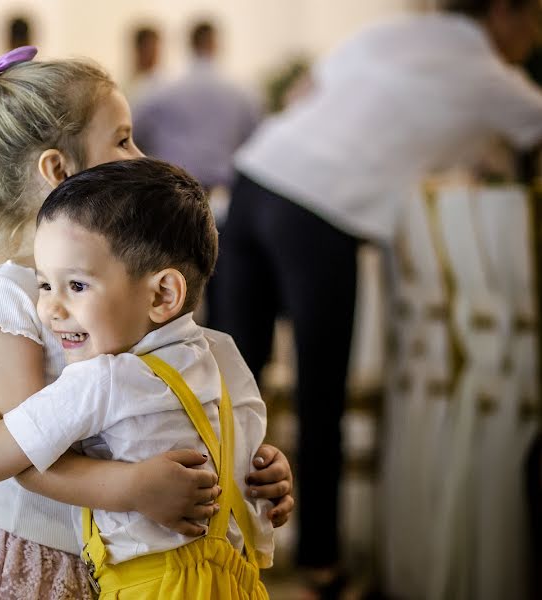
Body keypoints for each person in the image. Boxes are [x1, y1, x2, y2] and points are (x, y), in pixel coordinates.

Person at [0, 47, 294, 599]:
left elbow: (172, 399)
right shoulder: (13, 298)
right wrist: (133, 487)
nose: (139, 156)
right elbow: (21, 457)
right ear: (57, 170)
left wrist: (249, 467)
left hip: (139, 558)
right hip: (48, 553)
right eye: (121, 139)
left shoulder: (123, 280)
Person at [209, 0, 542, 597]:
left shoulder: (394, 34)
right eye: (535, 17)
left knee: (231, 381)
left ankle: (211, 546)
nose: (536, 32)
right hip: (321, 209)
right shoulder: (492, 79)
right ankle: (320, 565)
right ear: (503, 13)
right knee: (320, 394)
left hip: (256, 176)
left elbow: (303, 93)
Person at [0, 157, 273, 599]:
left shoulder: (100, 379)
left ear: (163, 294)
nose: (51, 310)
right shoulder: (223, 353)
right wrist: (269, 471)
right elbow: (250, 463)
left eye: (77, 286)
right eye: (45, 284)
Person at [132, 20, 261, 193]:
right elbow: (256, 138)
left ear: (190, 44)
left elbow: (134, 131)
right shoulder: (243, 91)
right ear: (216, 44)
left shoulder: (161, 89)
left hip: (171, 190)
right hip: (222, 191)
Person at [124, 26, 162, 106]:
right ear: (139, 50)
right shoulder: (127, 88)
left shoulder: (166, 84)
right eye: (149, 48)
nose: (154, 54)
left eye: (156, 49)